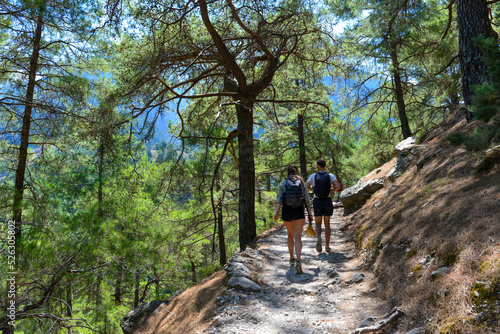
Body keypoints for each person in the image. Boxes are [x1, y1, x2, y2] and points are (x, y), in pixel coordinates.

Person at [274, 165, 312, 275]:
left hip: (287, 211)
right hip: (299, 210)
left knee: (290, 235)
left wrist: (276, 212)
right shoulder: (301, 182)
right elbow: (307, 199)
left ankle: (292, 259)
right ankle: (299, 260)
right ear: (297, 172)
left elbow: (279, 199)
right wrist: (310, 213)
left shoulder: (283, 183)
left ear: (288, 172)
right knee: (298, 237)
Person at [306, 158, 341, 253]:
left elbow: (307, 187)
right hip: (327, 200)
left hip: (317, 201)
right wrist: (331, 190)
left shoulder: (313, 176)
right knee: (327, 224)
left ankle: (319, 239)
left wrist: (314, 190)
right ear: (324, 166)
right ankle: (327, 246)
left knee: (318, 224)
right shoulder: (330, 176)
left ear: (318, 166)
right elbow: (338, 187)